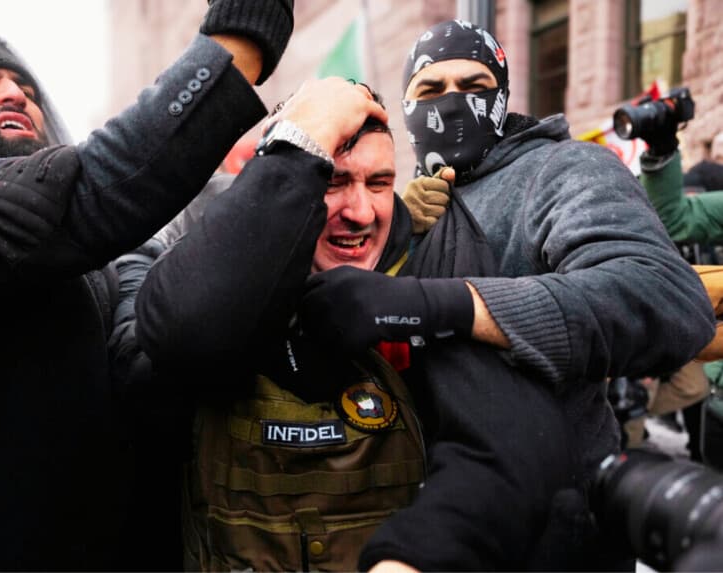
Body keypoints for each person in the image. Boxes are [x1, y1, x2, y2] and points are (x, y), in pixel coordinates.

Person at [0, 2, 294, 569]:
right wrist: (243, 41)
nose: (14, 93)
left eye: (26, 86)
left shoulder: (99, 252)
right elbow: (91, 195)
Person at [297, 20, 715, 570]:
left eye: (473, 86)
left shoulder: (562, 170)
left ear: (503, 96)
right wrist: (402, 226)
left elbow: (664, 297)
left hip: (554, 528)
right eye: (429, 89)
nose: (451, 103)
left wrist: (454, 304)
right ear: (406, 107)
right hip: (418, 522)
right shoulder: (408, 202)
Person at [132, 78, 589, 571]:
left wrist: (412, 556)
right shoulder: (205, 266)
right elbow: (176, 335)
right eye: (333, 182)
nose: (361, 212)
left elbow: (510, 441)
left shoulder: (429, 269)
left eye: (379, 184)